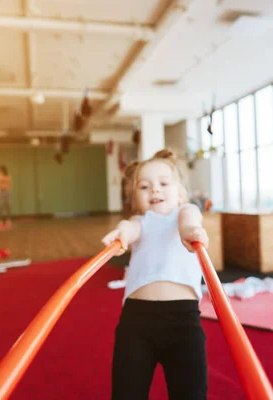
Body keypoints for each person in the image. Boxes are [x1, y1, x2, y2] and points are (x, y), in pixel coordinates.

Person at [101, 149, 210, 400]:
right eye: (144, 186)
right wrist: (121, 235)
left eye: (163, 183)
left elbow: (190, 221)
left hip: (183, 322)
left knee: (191, 394)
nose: (155, 190)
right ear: (135, 198)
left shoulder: (184, 212)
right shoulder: (142, 221)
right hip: (136, 323)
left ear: (180, 192)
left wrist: (192, 232)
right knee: (126, 393)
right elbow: (129, 228)